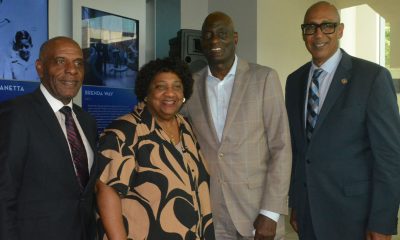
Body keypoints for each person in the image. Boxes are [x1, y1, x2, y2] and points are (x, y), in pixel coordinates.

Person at [285, 2, 400, 240]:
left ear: (340, 30)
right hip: (308, 214)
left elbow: (389, 157)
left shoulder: (372, 78)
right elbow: (299, 151)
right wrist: (297, 203)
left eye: (327, 26)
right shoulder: (294, 81)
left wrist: (382, 222)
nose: (318, 34)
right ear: (303, 33)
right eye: (310, 28)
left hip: (355, 217)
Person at [181, 12, 292, 240]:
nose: (214, 41)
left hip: (256, 214)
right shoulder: (190, 86)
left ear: (235, 38)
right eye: (208, 35)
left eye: (222, 34)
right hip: (210, 213)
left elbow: (281, 148)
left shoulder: (264, 78)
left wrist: (270, 213)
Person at [96, 57, 215, 240]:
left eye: (177, 86)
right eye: (161, 87)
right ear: (146, 92)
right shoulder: (124, 131)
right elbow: (107, 191)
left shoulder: (186, 127)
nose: (170, 93)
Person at [0, 36, 98, 240]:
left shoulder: (87, 121)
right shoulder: (16, 114)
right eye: (61, 61)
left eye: (78, 63)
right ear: (40, 67)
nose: (72, 70)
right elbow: (4, 194)